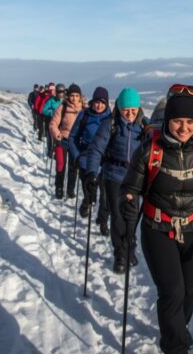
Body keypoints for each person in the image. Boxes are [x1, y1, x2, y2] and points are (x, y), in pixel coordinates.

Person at [119, 84, 193, 354]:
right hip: (157, 230)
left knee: (190, 293)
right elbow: (132, 187)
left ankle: (174, 332)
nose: (183, 127)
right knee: (172, 292)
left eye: (190, 122)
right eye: (178, 121)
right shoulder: (149, 150)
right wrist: (128, 203)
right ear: (168, 121)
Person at [86, 87, 145, 262]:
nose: (129, 114)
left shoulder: (143, 126)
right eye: (126, 110)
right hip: (113, 176)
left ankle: (130, 249)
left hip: (134, 180)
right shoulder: (110, 124)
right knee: (118, 217)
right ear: (119, 108)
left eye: (133, 110)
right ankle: (120, 252)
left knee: (132, 218)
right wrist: (91, 172)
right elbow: (96, 149)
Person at [68, 87, 111, 219]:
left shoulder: (110, 118)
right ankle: (86, 202)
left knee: (104, 193)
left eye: (103, 103)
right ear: (92, 102)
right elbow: (72, 137)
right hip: (85, 158)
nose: (99, 105)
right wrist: (77, 155)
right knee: (89, 189)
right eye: (97, 102)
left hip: (103, 160)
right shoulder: (84, 115)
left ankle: (102, 218)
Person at [50, 84, 84, 200]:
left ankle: (70, 189)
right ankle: (59, 187)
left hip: (76, 142)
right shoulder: (62, 107)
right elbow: (53, 124)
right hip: (63, 139)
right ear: (68, 96)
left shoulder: (84, 109)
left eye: (76, 96)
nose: (74, 98)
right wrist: (57, 134)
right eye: (72, 95)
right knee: (61, 165)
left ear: (80, 97)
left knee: (73, 167)